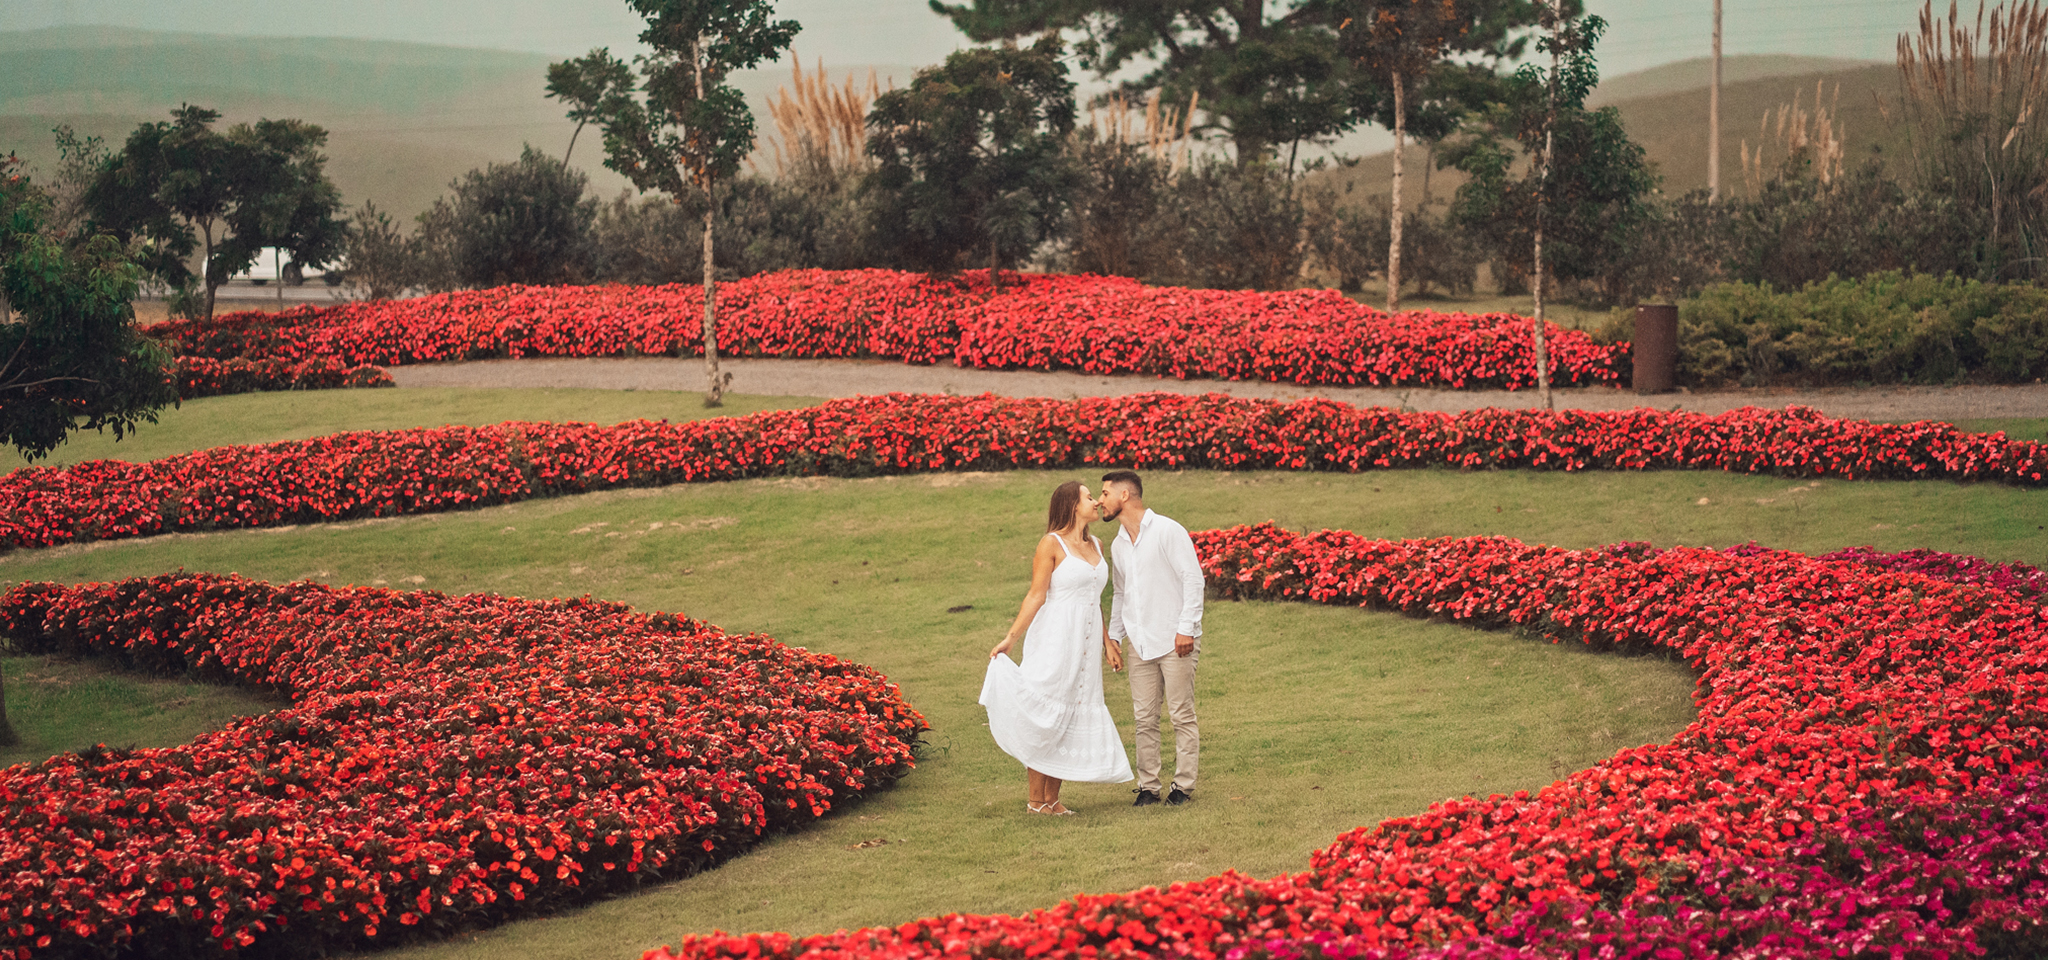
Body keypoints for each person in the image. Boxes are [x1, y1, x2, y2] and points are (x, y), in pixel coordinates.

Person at [981, 480, 1133, 815]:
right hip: (1055, 637)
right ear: (1071, 506)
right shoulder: (1050, 544)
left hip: (1087, 643)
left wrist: (1107, 642)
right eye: (1089, 497)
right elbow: (1036, 595)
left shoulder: (1096, 544)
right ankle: (1036, 801)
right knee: (1047, 714)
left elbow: (1095, 600)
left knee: (1071, 712)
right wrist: (1011, 638)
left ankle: (1053, 799)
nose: (1096, 502)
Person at [1098, 469, 1205, 807]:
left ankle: (1183, 787)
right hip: (1139, 645)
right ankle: (1148, 787)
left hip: (1176, 641)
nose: (1100, 500)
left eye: (1104, 493)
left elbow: (1193, 579)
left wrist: (1186, 627)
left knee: (1180, 715)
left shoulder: (1167, 531)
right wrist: (1114, 636)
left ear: (1124, 496)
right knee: (1143, 718)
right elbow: (1121, 593)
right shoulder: (1117, 543)